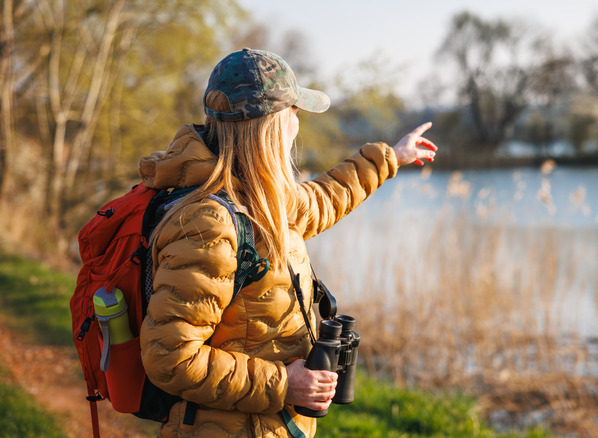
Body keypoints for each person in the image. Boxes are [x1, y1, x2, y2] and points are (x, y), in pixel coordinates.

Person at [138, 48, 437, 438]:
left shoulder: (259, 198)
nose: (298, 126)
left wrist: (389, 158)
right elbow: (171, 357)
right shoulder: (208, 223)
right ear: (274, 126)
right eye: (294, 114)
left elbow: (324, 199)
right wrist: (284, 383)